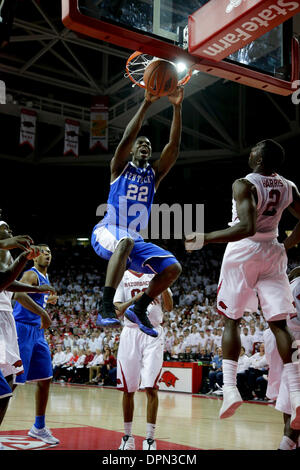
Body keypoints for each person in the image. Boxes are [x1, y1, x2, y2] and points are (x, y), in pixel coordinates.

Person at [186, 139, 300, 426]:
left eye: (253, 150)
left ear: (260, 159)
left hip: (244, 251)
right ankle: (297, 394)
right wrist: (285, 245)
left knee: (231, 319)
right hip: (273, 251)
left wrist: (204, 237)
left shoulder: (244, 184)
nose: (249, 153)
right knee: (279, 323)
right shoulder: (289, 186)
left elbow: (245, 227)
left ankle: (230, 389)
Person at [91, 87, 183, 336]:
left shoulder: (154, 174)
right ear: (132, 150)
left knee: (173, 267)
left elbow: (173, 146)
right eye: (140, 143)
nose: (145, 146)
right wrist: (145, 103)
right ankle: (106, 306)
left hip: (133, 238)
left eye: (148, 144)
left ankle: (139, 308)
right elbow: (127, 138)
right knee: (126, 241)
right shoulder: (120, 167)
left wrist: (176, 106)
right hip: (107, 230)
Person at [0, 221, 47, 450]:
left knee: (8, 383)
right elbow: (2, 282)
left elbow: (9, 284)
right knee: (4, 384)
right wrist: (22, 259)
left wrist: (37, 290)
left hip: (6, 318)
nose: (10, 230)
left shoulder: (6, 254)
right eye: (5, 228)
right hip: (5, 318)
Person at [114, 269, 173, 450]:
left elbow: (169, 306)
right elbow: (117, 310)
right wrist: (137, 299)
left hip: (153, 333)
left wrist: (162, 286)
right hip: (130, 332)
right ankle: (127, 437)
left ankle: (149, 439)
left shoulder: (157, 273)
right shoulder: (123, 275)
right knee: (128, 389)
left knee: (151, 386)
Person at [12, 244, 60, 445]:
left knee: (45, 377)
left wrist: (47, 301)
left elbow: (36, 296)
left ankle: (38, 427)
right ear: (34, 257)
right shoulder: (31, 274)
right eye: (42, 252)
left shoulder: (45, 278)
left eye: (49, 252)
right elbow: (19, 295)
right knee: (12, 380)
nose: (47, 255)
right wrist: (43, 312)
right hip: (22, 329)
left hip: (37, 333)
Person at [263, 267, 300, 450]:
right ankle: (288, 443)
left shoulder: (284, 287)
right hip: (293, 341)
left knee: (289, 400)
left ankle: (289, 443)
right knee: (293, 401)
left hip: (282, 341)